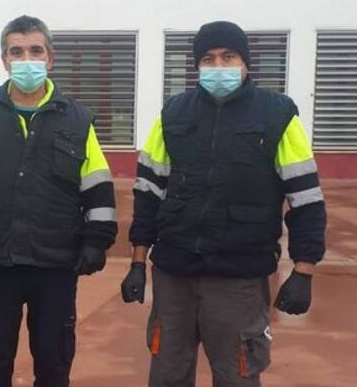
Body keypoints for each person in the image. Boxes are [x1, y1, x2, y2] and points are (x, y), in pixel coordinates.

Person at [121, 20, 326, 387]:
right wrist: (138, 262)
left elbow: (306, 199)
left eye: (228, 57)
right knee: (167, 373)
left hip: (239, 276)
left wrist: (304, 270)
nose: (218, 66)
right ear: (197, 66)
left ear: (245, 62)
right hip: (174, 274)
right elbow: (148, 191)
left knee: (237, 376)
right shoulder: (172, 114)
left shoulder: (278, 116)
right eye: (208, 58)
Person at [0, 14, 117, 387]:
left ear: (50, 58)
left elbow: (97, 186)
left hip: (55, 264)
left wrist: (97, 242)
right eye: (16, 52)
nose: (26, 59)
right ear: (4, 59)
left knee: (54, 365)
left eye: (35, 50)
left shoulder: (77, 119)